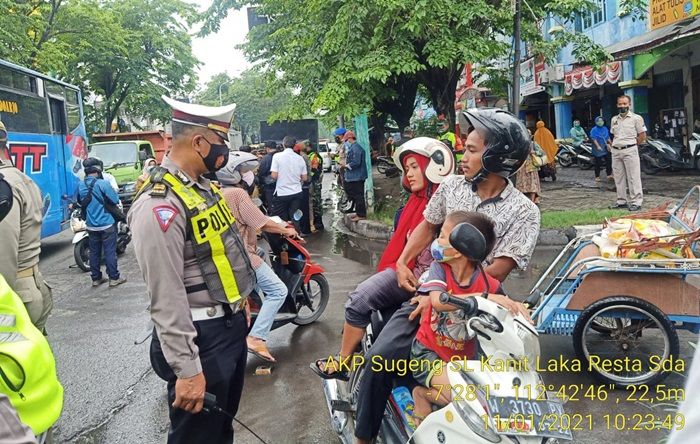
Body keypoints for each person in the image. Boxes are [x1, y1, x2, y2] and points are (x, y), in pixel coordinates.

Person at [352, 108, 540, 443]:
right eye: (463, 148)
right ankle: (363, 436)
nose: (461, 157)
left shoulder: (524, 212)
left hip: (478, 309)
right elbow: (428, 223)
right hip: (430, 293)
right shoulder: (453, 186)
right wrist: (403, 262)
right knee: (380, 360)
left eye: (471, 150)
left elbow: (496, 271)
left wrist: (466, 298)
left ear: (498, 158)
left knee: (507, 384)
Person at [127, 96, 256, 444]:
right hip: (202, 339)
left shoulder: (204, 190)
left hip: (228, 327)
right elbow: (165, 296)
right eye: (220, 143)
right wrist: (187, 371)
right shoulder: (160, 203)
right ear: (199, 142)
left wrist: (241, 301)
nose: (224, 152)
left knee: (220, 431)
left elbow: (223, 253)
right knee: (196, 438)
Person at [310, 137, 455, 379]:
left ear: (433, 167)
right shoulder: (414, 203)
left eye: (414, 167)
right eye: (407, 168)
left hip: (431, 283)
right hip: (408, 272)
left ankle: (344, 361)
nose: (408, 174)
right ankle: (349, 357)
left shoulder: (449, 205)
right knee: (360, 301)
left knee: (359, 299)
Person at [411, 212, 518, 423]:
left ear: (461, 248)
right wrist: (484, 298)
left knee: (490, 403)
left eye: (442, 236)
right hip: (428, 354)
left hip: (468, 360)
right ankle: (421, 394)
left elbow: (505, 312)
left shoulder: (490, 285)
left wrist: (520, 310)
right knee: (464, 399)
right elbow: (439, 301)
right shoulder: (439, 270)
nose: (436, 242)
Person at [217, 152, 299, 363]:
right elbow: (260, 222)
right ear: (233, 174)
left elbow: (250, 218)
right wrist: (285, 229)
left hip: (229, 254)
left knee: (262, 253)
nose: (248, 176)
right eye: (243, 172)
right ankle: (256, 337)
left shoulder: (218, 192)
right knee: (278, 291)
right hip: (243, 256)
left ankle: (254, 303)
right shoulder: (236, 194)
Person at [0, 120, 53, 333]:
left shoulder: (4, 187)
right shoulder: (22, 179)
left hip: (13, 298)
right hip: (31, 287)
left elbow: (3, 261)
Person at [78, 158, 126, 288]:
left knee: (94, 252)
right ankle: (114, 278)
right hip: (107, 224)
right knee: (110, 251)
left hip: (91, 226)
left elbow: (79, 202)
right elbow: (115, 199)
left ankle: (96, 278)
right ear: (99, 170)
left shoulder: (80, 185)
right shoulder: (102, 184)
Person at [610, 94, 647, 211]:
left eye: (625, 104)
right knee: (618, 177)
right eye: (620, 104)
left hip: (630, 150)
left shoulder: (637, 118)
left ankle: (636, 202)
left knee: (633, 177)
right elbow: (613, 135)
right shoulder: (614, 119)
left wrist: (633, 145)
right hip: (616, 151)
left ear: (629, 105)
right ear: (617, 105)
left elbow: (642, 136)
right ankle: (621, 201)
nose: (622, 106)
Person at [271, 135, 308, 232]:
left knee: (280, 218)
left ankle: (284, 238)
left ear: (283, 144)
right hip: (297, 192)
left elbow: (274, 176)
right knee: (295, 216)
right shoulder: (300, 158)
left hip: (282, 193)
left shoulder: (277, 156)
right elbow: (304, 177)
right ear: (294, 145)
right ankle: (297, 236)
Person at [343, 130, 368, 222]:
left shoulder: (356, 148)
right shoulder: (353, 147)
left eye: (346, 140)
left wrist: (345, 165)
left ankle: (361, 214)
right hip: (355, 176)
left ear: (350, 138)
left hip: (357, 176)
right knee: (355, 194)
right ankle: (359, 212)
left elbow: (356, 162)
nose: (346, 143)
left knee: (358, 195)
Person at [295, 141, 313, 235]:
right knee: (305, 208)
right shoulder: (305, 156)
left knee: (304, 208)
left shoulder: (302, 158)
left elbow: (304, 175)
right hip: (306, 184)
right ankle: (306, 228)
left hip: (304, 185)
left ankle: (305, 229)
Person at [307, 141, 325, 231]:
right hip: (313, 182)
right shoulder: (310, 155)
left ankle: (318, 223)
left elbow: (314, 170)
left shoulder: (314, 156)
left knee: (316, 203)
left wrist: (306, 177)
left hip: (315, 182)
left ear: (308, 147)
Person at [589, 116, 613, 182]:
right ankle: (597, 176)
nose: (600, 122)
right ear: (596, 122)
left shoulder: (605, 128)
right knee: (598, 163)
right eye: (598, 121)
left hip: (605, 146)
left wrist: (611, 143)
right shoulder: (594, 129)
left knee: (609, 161)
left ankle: (609, 174)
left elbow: (607, 137)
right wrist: (598, 146)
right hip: (597, 148)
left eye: (601, 121)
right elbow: (594, 139)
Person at [257, 140, 278, 211]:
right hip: (282, 185)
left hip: (270, 186)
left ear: (267, 148)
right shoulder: (281, 156)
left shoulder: (266, 158)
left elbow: (262, 172)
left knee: (272, 206)